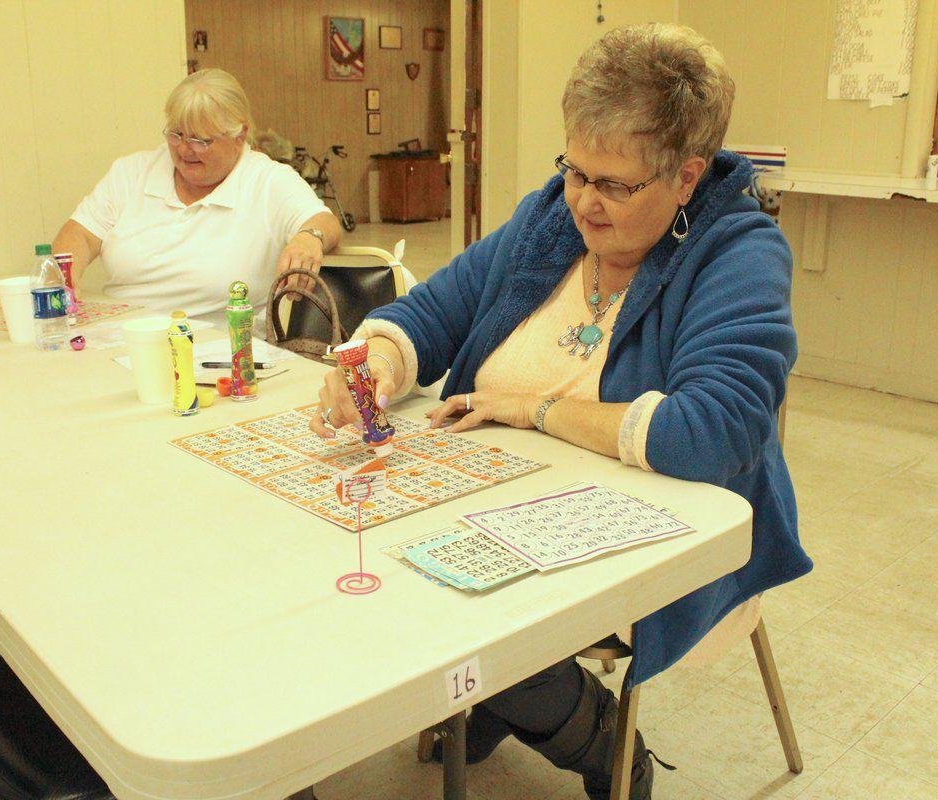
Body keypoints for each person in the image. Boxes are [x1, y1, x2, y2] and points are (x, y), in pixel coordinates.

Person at [309, 23, 811, 800]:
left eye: (614, 184)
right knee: (351, 559)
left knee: (444, 606)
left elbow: (714, 432)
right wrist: (372, 366)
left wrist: (533, 407)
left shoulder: (737, 252)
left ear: (686, 176)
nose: (583, 200)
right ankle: (520, 698)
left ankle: (602, 741)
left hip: (658, 531)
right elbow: (433, 313)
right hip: (498, 497)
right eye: (575, 169)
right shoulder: (551, 218)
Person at [52, 68, 341, 319]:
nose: (184, 149)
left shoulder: (267, 181)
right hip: (127, 335)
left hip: (222, 351)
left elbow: (323, 221)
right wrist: (63, 277)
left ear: (239, 135)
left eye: (200, 140)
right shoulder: (132, 172)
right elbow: (80, 234)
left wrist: (308, 238)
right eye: (176, 134)